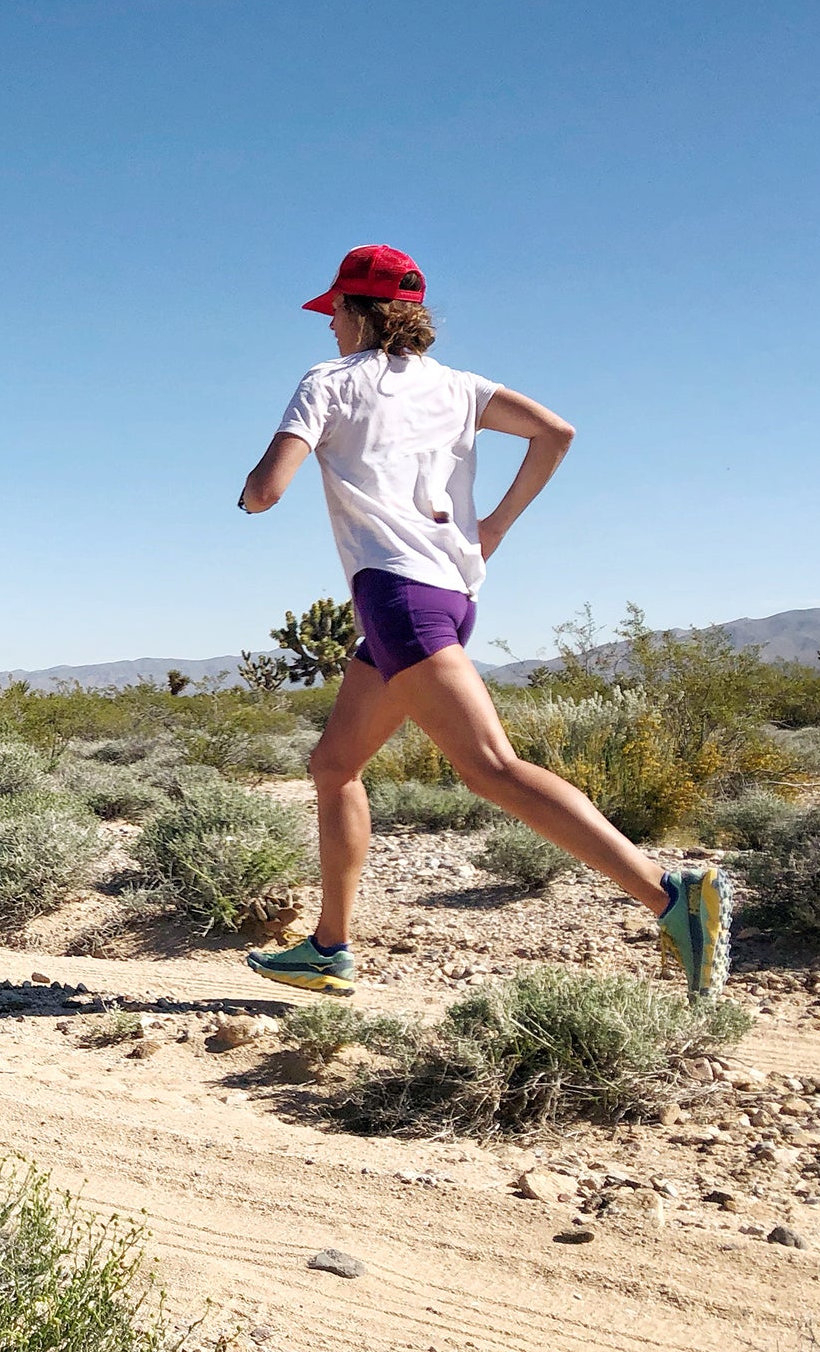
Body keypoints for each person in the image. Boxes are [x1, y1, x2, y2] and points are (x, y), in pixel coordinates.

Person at [239, 245, 731, 999]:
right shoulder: (461, 387)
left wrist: (249, 491)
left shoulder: (329, 383)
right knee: (334, 767)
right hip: (450, 593)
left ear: (353, 310)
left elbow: (270, 489)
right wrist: (493, 526)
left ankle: (670, 896)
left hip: (397, 594)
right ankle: (329, 947)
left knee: (490, 768)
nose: (328, 327)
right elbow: (555, 433)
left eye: (333, 312)